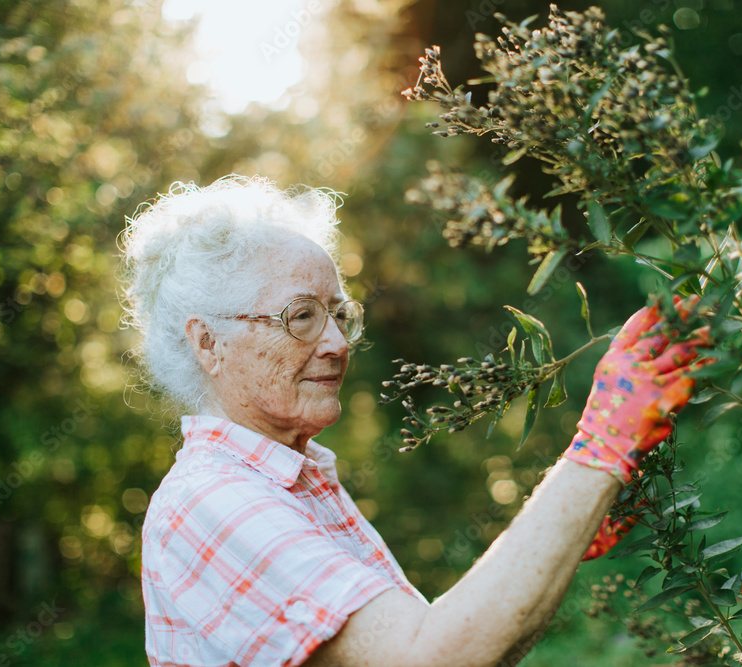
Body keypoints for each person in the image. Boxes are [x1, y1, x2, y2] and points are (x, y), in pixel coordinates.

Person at [121, 175, 708, 667]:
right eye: (300, 316)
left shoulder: (286, 484)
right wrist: (601, 448)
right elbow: (429, 657)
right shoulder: (216, 501)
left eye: (338, 314)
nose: (335, 343)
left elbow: (469, 646)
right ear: (208, 343)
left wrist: (569, 522)